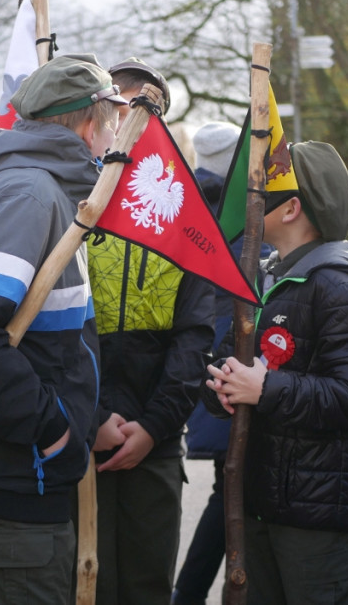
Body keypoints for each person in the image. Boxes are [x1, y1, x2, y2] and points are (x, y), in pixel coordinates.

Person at [0, 53, 127, 605]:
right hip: (13, 483)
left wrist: (81, 425)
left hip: (25, 477)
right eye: (111, 122)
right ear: (88, 124)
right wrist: (53, 432)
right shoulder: (28, 196)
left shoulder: (48, 193)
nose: (114, 139)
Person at [203, 141, 348, 605]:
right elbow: (228, 360)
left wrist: (265, 388)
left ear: (291, 209)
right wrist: (221, 386)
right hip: (257, 506)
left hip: (313, 521)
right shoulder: (261, 278)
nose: (252, 200)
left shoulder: (340, 287)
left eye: (263, 192)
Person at [85, 58, 215, 604]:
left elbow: (196, 336)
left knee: (146, 589)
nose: (133, 122)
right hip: (79, 441)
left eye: (147, 111)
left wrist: (154, 425)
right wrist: (91, 419)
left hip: (154, 447)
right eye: (122, 106)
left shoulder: (186, 219)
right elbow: (55, 335)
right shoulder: (72, 204)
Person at [170, 120, 241, 605]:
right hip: (230, 368)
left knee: (229, 487)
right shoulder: (236, 214)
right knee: (232, 490)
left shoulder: (184, 208)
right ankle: (190, 593)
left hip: (204, 364)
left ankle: (190, 593)